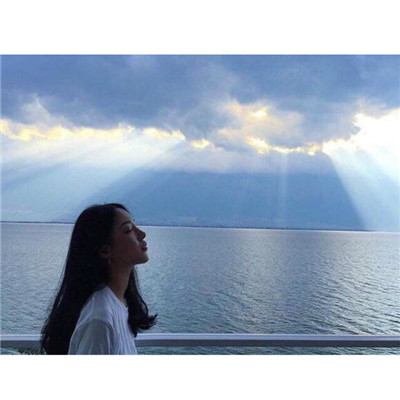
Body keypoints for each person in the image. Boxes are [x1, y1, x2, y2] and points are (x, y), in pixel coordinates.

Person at [40, 203, 157, 354]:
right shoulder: (100, 319)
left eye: (136, 226)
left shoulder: (118, 304)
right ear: (105, 251)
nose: (142, 234)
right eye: (128, 230)